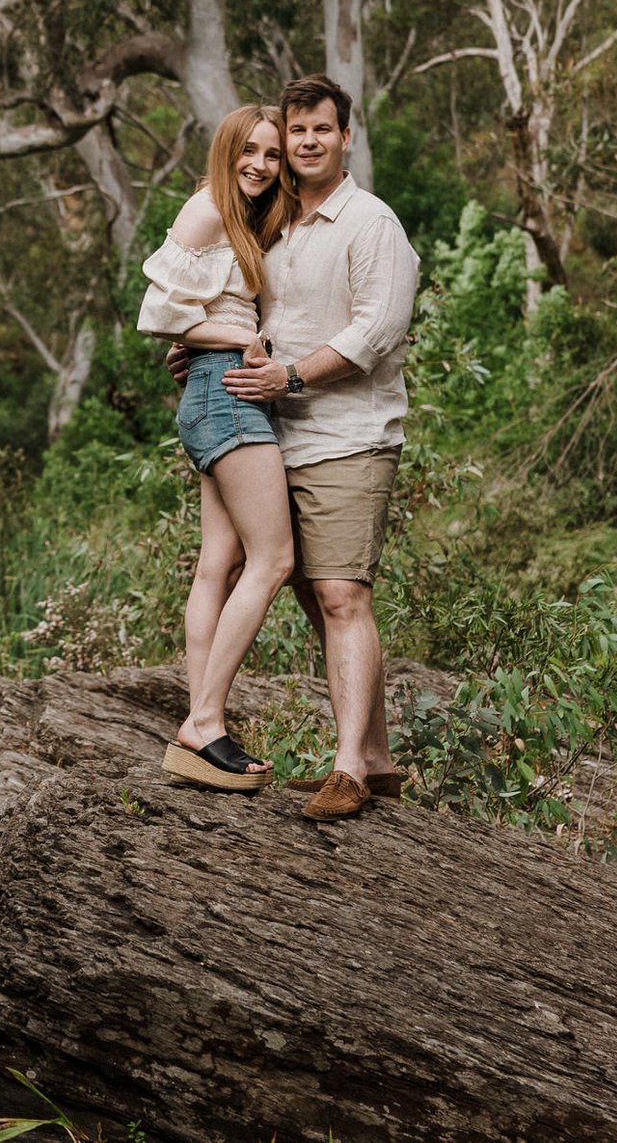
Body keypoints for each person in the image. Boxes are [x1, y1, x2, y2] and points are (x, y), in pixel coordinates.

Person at [173, 74, 419, 821]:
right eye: (296, 131)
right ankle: (374, 756)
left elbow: (376, 333)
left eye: (321, 129)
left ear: (347, 136)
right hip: (279, 431)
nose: (307, 142)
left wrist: (290, 375)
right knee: (316, 597)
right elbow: (238, 310)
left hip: (348, 435)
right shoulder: (273, 222)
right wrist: (201, 347)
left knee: (344, 594)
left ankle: (346, 769)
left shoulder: (372, 224)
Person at [136, 105, 294, 792]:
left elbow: (192, 318)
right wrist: (235, 342)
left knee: (219, 562)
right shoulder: (205, 209)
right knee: (274, 558)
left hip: (215, 389)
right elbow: (158, 315)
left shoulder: (241, 219)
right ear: (227, 152)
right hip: (227, 391)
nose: (261, 164)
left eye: (273, 154)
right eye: (249, 151)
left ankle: (199, 722)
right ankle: (204, 721)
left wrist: (212, 340)